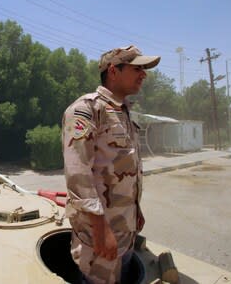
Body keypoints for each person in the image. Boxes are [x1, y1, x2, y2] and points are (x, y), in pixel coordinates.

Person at [62, 45, 160, 284]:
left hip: (124, 230)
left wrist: (135, 211)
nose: (143, 74)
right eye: (137, 68)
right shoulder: (87, 110)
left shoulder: (123, 112)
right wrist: (101, 230)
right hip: (100, 237)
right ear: (114, 71)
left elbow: (126, 169)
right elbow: (78, 175)